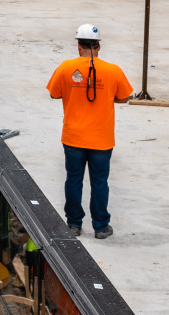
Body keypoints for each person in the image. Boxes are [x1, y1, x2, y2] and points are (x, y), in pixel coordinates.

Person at [47, 22, 132, 240]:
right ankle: (101, 227)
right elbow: (123, 97)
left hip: (74, 136)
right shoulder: (113, 71)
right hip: (102, 140)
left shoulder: (66, 68)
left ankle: (74, 225)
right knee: (100, 182)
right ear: (99, 47)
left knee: (73, 180)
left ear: (78, 46)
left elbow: (54, 94)